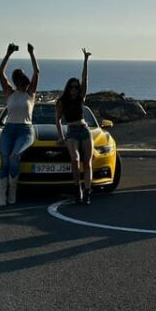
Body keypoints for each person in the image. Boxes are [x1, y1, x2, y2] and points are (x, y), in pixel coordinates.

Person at [0, 43, 40, 207]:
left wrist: (31, 53)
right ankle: (2, 196)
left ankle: (12, 191)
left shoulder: (31, 93)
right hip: (9, 129)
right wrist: (8, 54)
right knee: (5, 161)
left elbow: (37, 72)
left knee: (14, 157)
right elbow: (0, 72)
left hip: (25, 131)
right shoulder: (10, 92)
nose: (24, 81)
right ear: (17, 80)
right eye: (21, 78)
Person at [56, 48, 93, 205]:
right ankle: (77, 188)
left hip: (84, 130)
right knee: (75, 159)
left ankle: (87, 192)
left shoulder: (80, 98)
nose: (74, 89)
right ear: (67, 88)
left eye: (76, 87)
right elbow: (57, 120)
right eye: (71, 87)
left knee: (87, 162)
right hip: (71, 131)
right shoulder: (62, 101)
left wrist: (85, 61)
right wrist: (61, 137)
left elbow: (85, 79)